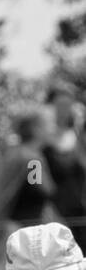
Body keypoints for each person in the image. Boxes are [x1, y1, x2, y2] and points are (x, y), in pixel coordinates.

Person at [0, 108, 57, 270]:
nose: (53, 128)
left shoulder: (19, 153)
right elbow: (42, 189)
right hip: (19, 235)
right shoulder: (31, 159)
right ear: (36, 129)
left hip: (18, 232)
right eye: (49, 124)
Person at [43, 82, 86, 246]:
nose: (64, 110)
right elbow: (33, 175)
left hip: (80, 213)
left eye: (68, 105)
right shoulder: (40, 142)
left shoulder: (78, 136)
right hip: (54, 216)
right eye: (59, 105)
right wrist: (41, 199)